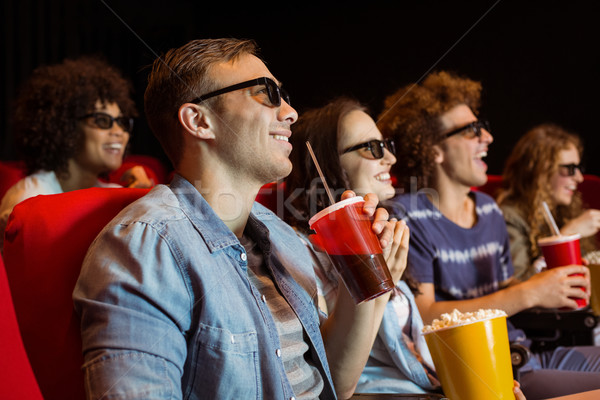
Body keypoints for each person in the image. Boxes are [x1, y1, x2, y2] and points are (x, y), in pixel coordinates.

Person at [73, 38, 404, 399]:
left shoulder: (282, 236)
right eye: (267, 93)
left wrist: (366, 277)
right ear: (200, 121)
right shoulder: (145, 247)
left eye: (285, 94)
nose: (291, 112)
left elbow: (336, 386)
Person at [378, 70, 600, 399]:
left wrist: (549, 286)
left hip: (524, 352)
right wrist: (529, 293)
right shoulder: (407, 214)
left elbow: (504, 290)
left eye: (482, 128)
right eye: (471, 131)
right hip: (486, 371)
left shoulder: (488, 209)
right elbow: (425, 316)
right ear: (434, 149)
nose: (488, 138)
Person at [284, 97, 441, 395]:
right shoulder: (298, 254)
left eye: (387, 146)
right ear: (330, 163)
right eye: (372, 148)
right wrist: (376, 285)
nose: (390, 159)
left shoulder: (381, 233)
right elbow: (335, 383)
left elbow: (416, 352)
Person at [0, 56, 152, 250]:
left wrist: (143, 196)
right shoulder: (28, 201)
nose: (119, 132)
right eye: (102, 120)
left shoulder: (113, 194)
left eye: (122, 123)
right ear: (67, 128)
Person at [497, 123, 599, 280]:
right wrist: (566, 238)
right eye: (570, 168)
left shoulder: (563, 210)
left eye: (579, 168)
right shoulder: (509, 216)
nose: (579, 178)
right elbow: (517, 287)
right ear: (541, 171)